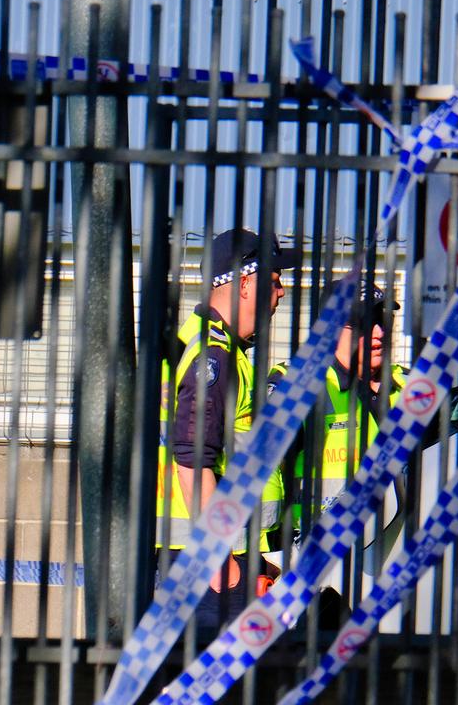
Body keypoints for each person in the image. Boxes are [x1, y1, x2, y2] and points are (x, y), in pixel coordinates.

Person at [155, 228, 299, 628]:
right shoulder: (214, 358)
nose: (282, 292)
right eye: (275, 281)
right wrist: (223, 563)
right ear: (246, 285)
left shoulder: (197, 344)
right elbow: (192, 461)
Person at [266, 279, 412, 626]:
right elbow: (264, 472)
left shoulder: (407, 386)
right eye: (364, 322)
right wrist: (267, 556)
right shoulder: (297, 385)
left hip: (387, 560)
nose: (378, 333)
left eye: (383, 320)